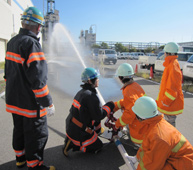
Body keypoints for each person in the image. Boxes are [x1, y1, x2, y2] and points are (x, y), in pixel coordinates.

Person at [4, 7, 55, 170]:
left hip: (14, 100)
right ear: (38, 26)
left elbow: (8, 72)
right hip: (30, 104)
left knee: (19, 130)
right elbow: (38, 80)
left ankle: (20, 159)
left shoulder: (12, 41)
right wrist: (48, 103)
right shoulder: (32, 44)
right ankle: (35, 166)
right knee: (37, 135)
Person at [129, 96, 193, 170]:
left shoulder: (159, 137)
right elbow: (146, 147)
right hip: (175, 159)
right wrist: (137, 158)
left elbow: (151, 165)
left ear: (140, 117)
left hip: (185, 165)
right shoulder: (154, 124)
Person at [63, 67, 114, 156]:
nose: (98, 80)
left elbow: (93, 115)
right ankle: (74, 145)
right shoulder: (90, 96)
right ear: (90, 81)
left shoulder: (82, 92)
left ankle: (96, 132)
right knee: (98, 146)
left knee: (95, 113)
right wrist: (110, 106)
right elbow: (99, 116)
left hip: (72, 126)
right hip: (79, 132)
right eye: (96, 78)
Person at [113, 63, 145, 146]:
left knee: (125, 113)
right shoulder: (136, 86)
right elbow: (129, 102)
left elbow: (130, 113)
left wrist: (118, 124)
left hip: (139, 129)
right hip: (145, 121)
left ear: (121, 78)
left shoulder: (128, 91)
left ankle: (137, 144)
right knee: (123, 109)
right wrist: (115, 106)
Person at [156, 42, 184, 127]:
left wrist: (165, 102)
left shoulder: (173, 66)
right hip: (169, 104)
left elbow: (172, 90)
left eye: (164, 52)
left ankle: (171, 140)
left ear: (167, 53)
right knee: (167, 127)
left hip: (169, 105)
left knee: (169, 128)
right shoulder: (171, 64)